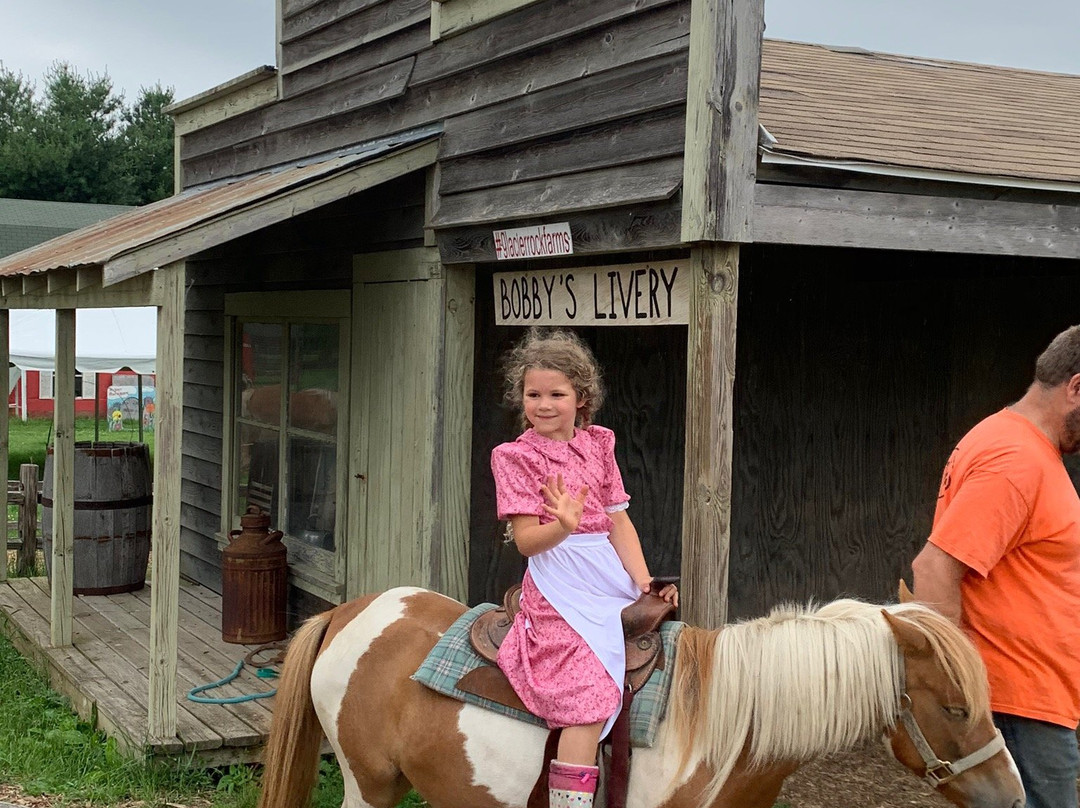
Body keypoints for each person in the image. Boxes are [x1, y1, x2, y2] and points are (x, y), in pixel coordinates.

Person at [490, 328, 677, 808]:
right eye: (533, 394)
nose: (544, 404)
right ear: (522, 398)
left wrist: (643, 582)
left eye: (557, 393)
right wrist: (563, 525)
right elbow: (530, 542)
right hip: (558, 579)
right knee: (588, 700)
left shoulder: (598, 444)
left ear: (581, 398)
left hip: (606, 570)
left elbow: (618, 521)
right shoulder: (515, 457)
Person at [911, 324, 1080, 808]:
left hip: (1031, 701)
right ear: (1076, 387)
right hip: (1016, 705)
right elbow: (936, 569)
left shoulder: (1019, 446)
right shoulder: (1016, 459)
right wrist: (956, 693)